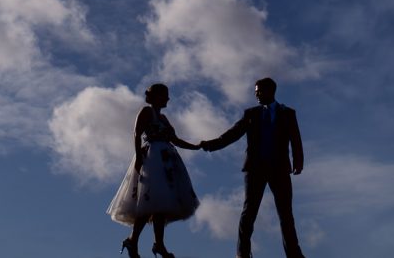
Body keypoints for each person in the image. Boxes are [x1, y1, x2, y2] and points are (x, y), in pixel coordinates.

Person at [200, 77, 306, 258]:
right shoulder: (251, 114)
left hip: (279, 169)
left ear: (271, 91)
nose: (256, 94)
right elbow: (233, 134)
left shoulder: (287, 113)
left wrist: (298, 161)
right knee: (249, 212)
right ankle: (242, 253)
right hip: (255, 169)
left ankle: (294, 254)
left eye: (259, 91)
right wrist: (210, 144)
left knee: (286, 214)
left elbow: (295, 138)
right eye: (255, 91)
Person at [108, 83, 200, 258]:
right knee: (149, 202)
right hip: (153, 160)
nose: (167, 99)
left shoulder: (164, 118)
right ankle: (135, 240)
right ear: (155, 96)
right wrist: (139, 157)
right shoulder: (146, 112)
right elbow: (136, 133)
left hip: (166, 162)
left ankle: (156, 243)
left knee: (160, 206)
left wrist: (196, 146)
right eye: (164, 95)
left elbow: (175, 139)